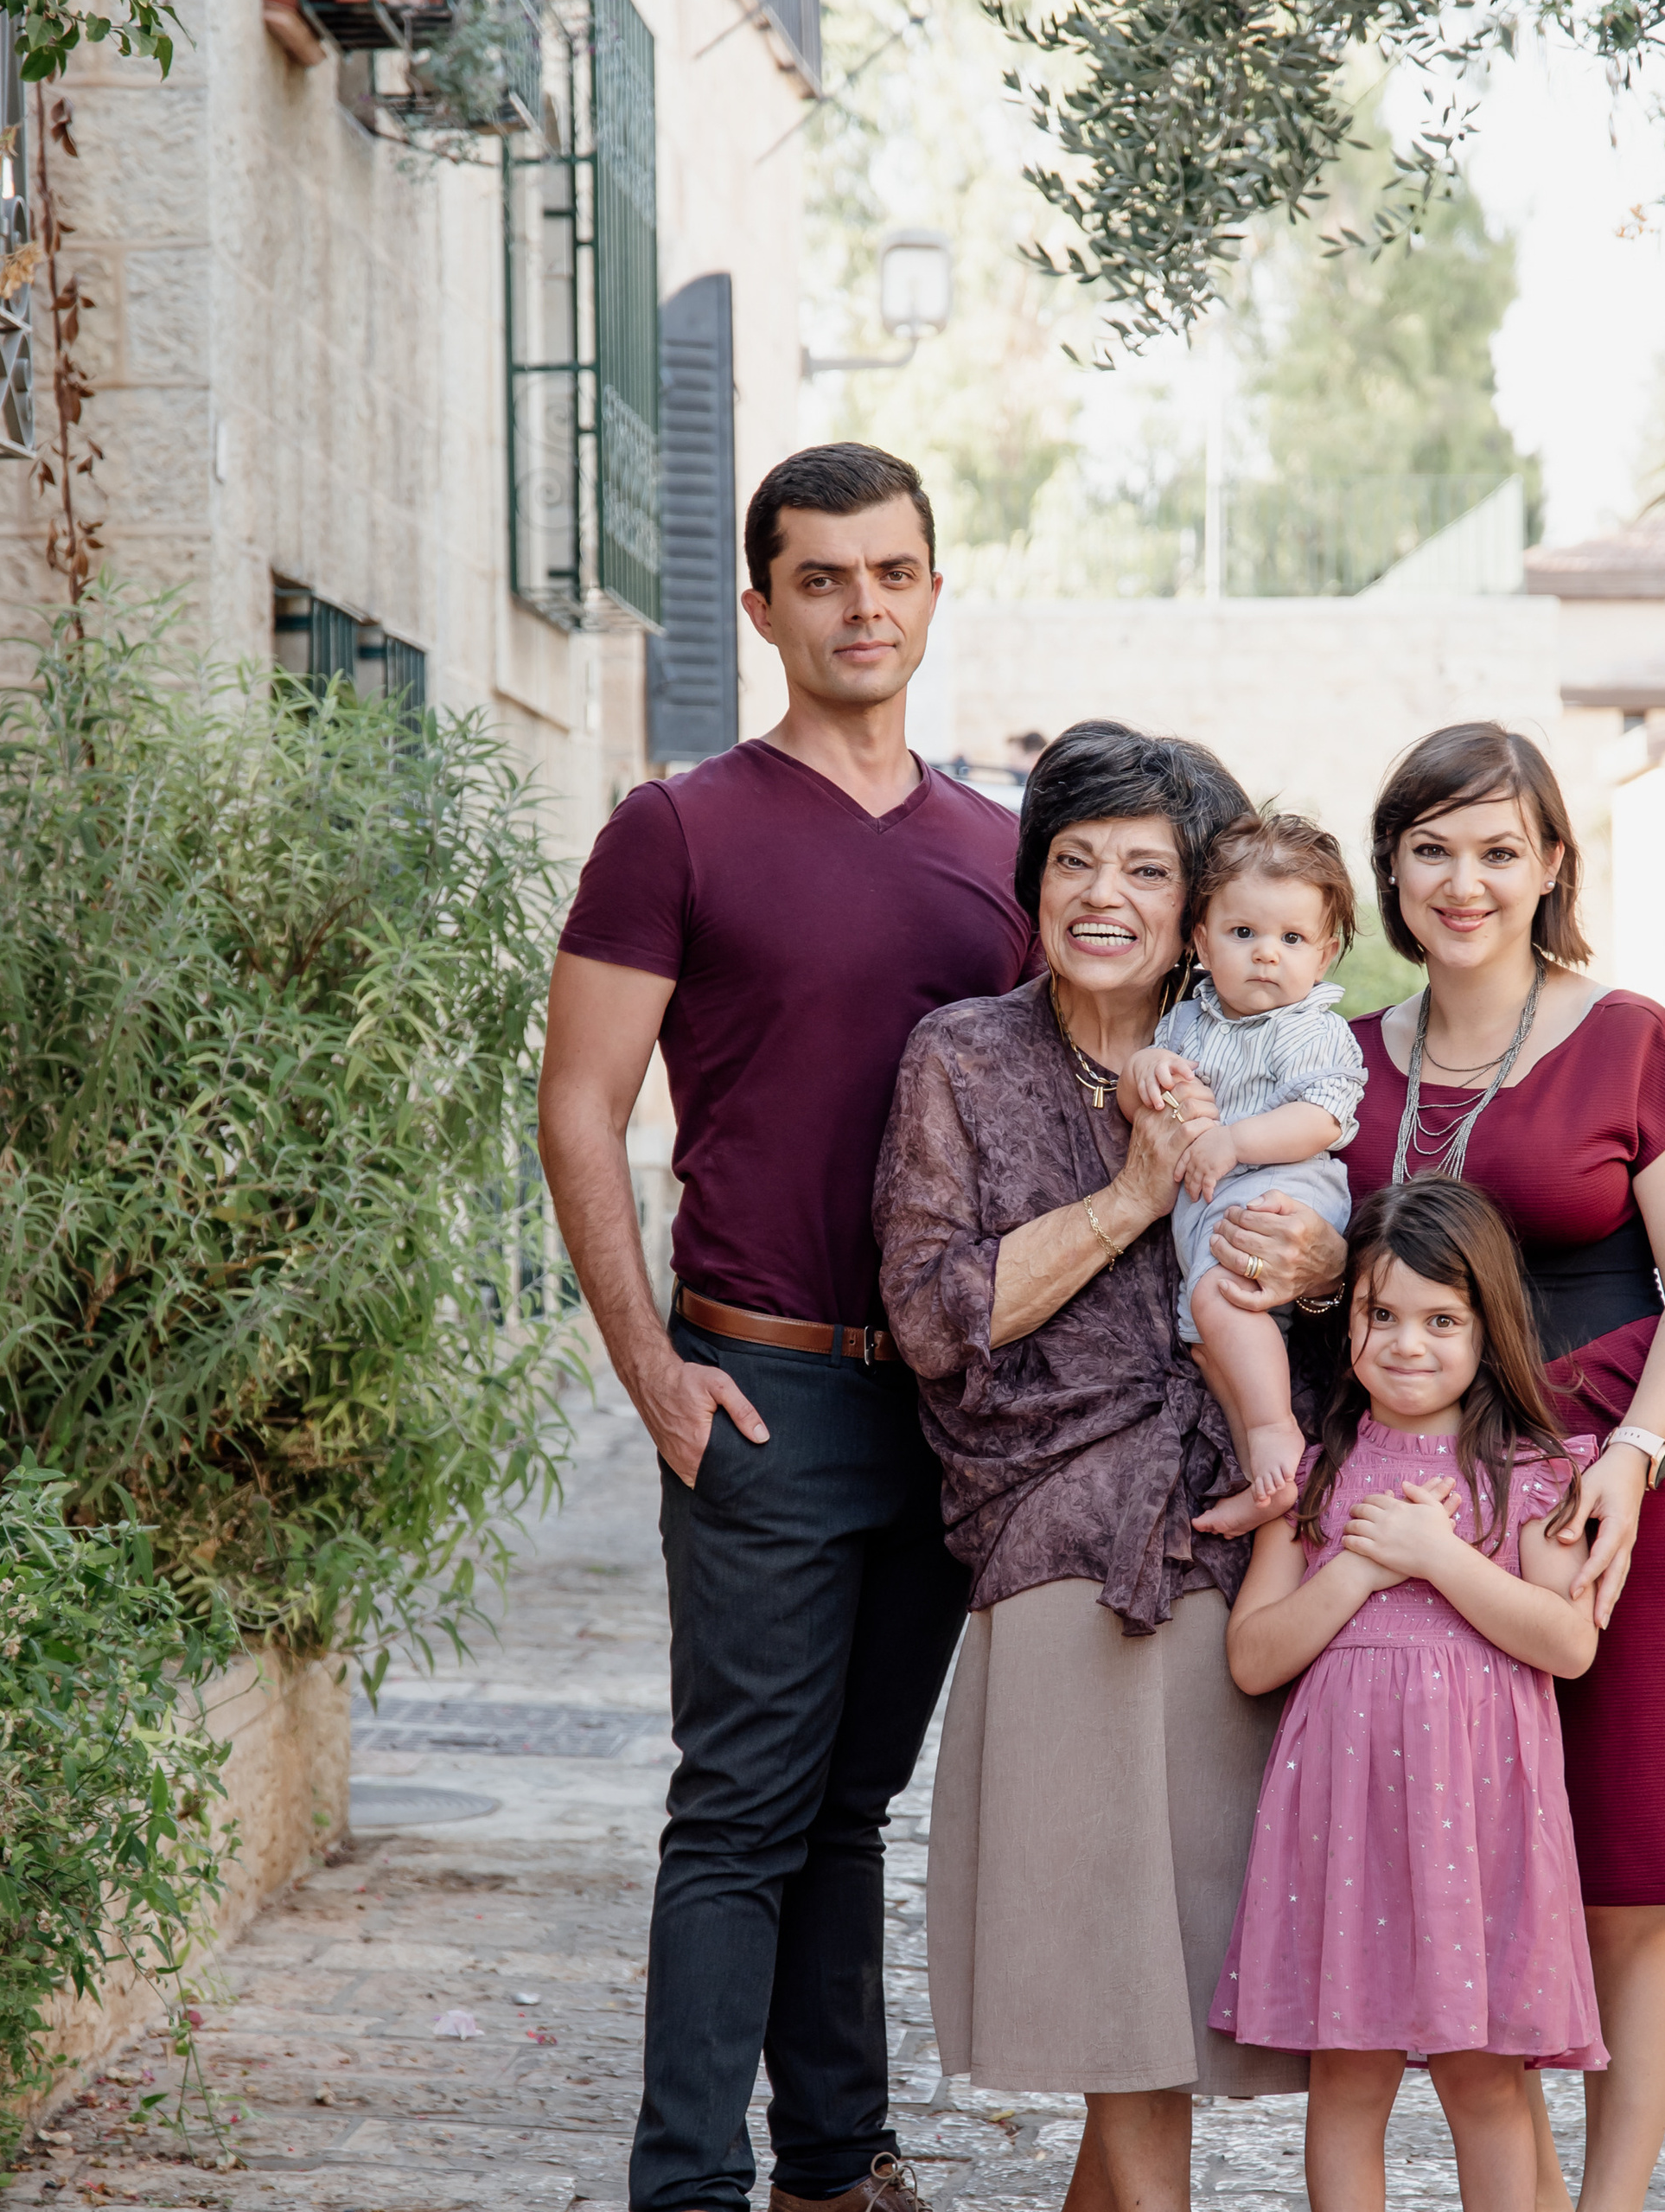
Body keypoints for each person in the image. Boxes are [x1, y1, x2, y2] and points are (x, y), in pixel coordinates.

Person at [537, 443, 1038, 2212]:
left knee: (847, 1803)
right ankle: (686, 2183)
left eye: (888, 571)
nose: (858, 606)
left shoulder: (1002, 857)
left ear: (930, 587)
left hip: (950, 1406)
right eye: (818, 578)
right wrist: (652, 1372)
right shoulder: (677, 827)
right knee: (741, 1809)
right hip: (755, 1384)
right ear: (759, 604)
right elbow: (579, 1103)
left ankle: (836, 2162)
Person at [1201, 724, 1665, 2212]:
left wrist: (1633, 1458)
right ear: (1389, 870)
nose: (1466, 879)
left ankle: (1605, 2206)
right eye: (1433, 847)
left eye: (1501, 848)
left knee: (1622, 1868)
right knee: (1476, 1864)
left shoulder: (1633, 1039)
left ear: (1553, 865)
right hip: (1416, 1493)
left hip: (1609, 1491)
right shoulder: (1341, 1061)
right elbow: (1343, 1268)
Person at [872, 722, 1308, 2212]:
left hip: (1231, 1550)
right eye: (1074, 861)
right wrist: (1135, 1191)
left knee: (1167, 1999)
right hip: (1057, 1541)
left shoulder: (1256, 1055)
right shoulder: (965, 1057)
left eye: (1145, 867)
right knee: (1123, 2011)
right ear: (1032, 883)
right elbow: (937, 1314)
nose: (1104, 895)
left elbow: (1348, 1270)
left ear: (1196, 905)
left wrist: (1316, 1260)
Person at [1213, 1177, 1607, 2212]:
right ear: (1345, 1320)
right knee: (1346, 2075)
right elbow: (1253, 1656)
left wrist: (1437, 1556)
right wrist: (1356, 1569)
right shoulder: (1312, 1470)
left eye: (1441, 1319)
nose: (1406, 1343)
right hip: (1346, 1829)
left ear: (1488, 1327)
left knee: (1484, 2077)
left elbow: (1566, 1641)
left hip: (1479, 1825)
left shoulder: (1533, 1463)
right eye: (1378, 1314)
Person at [1123, 812, 1366, 1529]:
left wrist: (1233, 1140)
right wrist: (1146, 1068)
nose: (1267, 955)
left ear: (1323, 957)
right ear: (1200, 941)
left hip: (1279, 1190)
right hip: (1209, 1208)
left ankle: (1274, 1433)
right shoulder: (1190, 1020)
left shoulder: (1308, 1027)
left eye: (1291, 940)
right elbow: (1148, 1090)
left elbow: (1325, 1116)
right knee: (1206, 1341)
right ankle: (1275, 1478)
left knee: (1225, 1305)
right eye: (1244, 934)